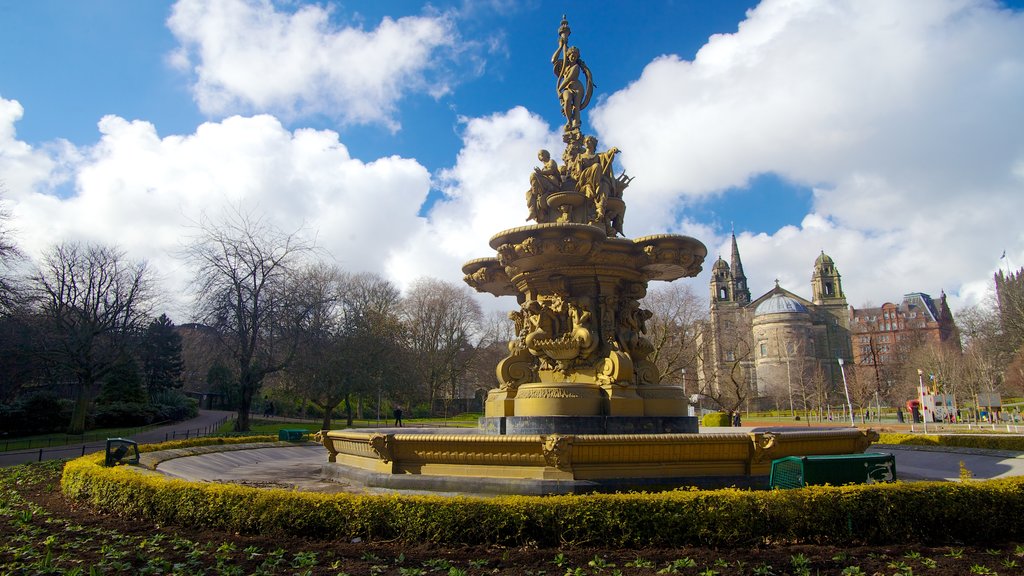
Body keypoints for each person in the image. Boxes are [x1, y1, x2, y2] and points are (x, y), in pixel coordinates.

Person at [526, 149, 561, 221]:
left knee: (533, 175)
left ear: (547, 155)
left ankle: (535, 194)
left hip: (553, 185)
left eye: (542, 154)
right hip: (545, 185)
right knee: (528, 193)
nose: (540, 156)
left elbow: (551, 170)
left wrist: (540, 173)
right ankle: (532, 210)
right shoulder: (542, 168)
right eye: (539, 155)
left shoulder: (551, 161)